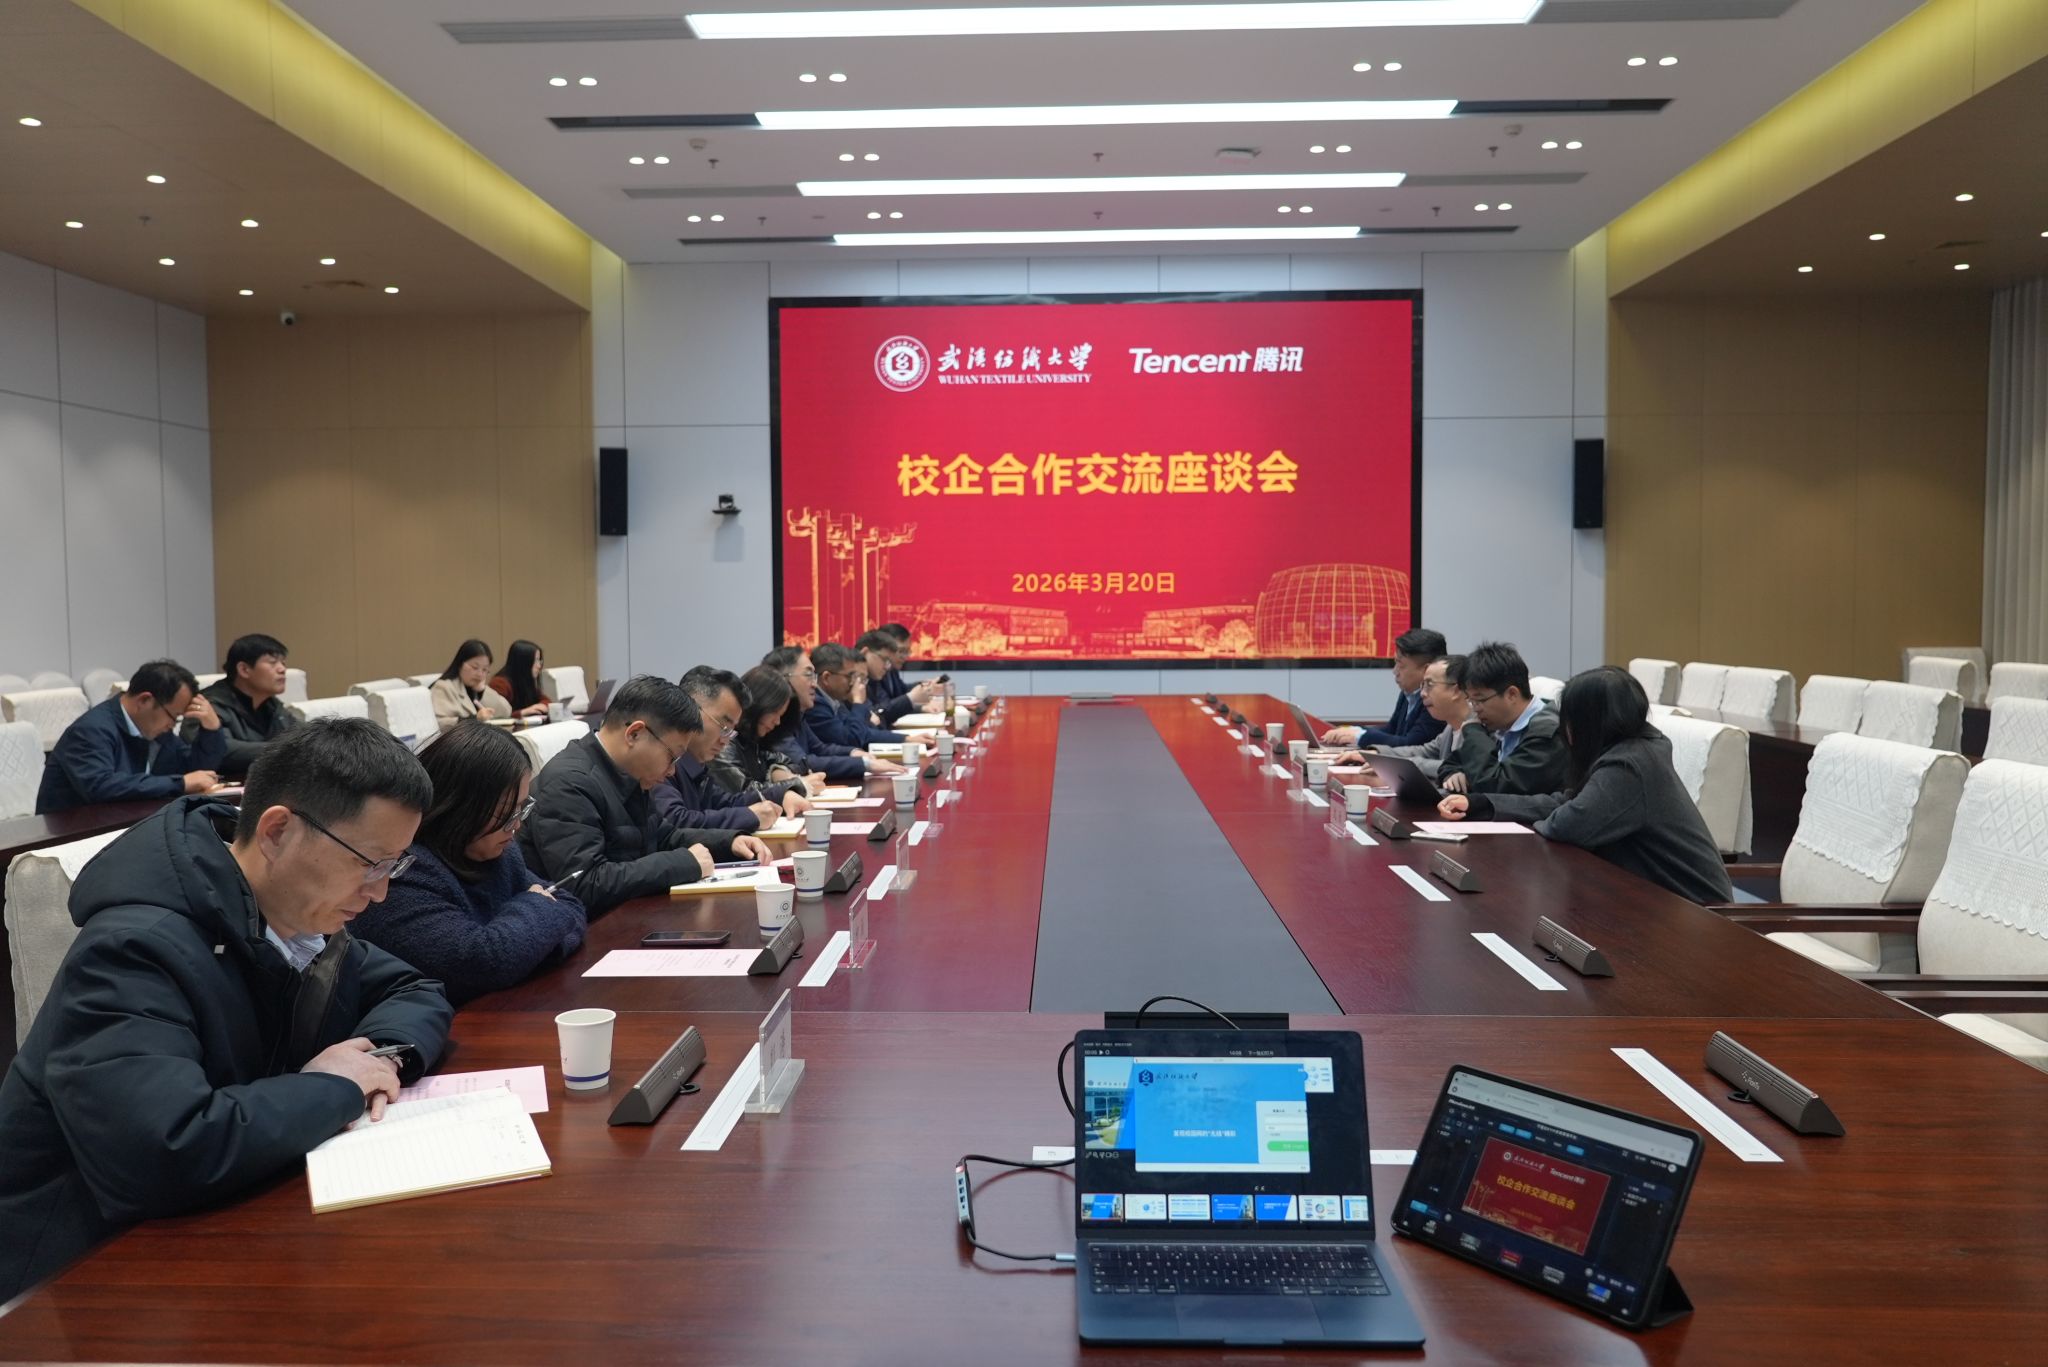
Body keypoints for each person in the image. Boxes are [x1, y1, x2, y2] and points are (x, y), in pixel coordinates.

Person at [0, 718, 454, 1301]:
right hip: (75, 1278)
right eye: (369, 862)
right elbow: (163, 1152)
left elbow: (414, 988)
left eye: (393, 865)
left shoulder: (295, 921)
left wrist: (379, 1060)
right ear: (278, 831)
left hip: (222, 1224)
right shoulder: (133, 950)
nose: (380, 890)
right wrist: (334, 1087)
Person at [1436, 667, 1734, 905]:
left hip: (1691, 912)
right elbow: (1567, 802)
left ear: (1587, 720)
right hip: (1646, 897)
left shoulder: (1629, 765)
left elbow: (1567, 824)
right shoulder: (1627, 749)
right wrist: (1484, 803)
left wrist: (1547, 816)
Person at [351, 721, 588, 1005]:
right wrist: (535, 922)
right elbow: (485, 964)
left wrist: (527, 947)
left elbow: (571, 906)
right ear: (459, 806)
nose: (516, 826)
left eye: (521, 809)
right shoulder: (402, 871)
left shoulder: (498, 852)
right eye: (505, 813)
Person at [517, 675, 772, 918]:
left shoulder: (629, 774)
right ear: (634, 734)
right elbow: (585, 884)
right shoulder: (568, 783)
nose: (672, 771)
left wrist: (729, 843)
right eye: (672, 757)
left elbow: (664, 836)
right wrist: (684, 863)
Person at [36, 659, 227, 814]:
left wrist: (211, 728)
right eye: (173, 716)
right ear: (144, 700)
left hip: (127, 822)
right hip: (73, 833)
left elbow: (195, 770)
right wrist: (180, 783)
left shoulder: (156, 731)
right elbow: (101, 786)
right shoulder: (91, 730)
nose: (172, 725)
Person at [652, 667, 814, 833]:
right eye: (723, 726)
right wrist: (749, 816)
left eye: (731, 731)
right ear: (691, 711)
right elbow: (675, 821)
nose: (726, 740)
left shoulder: (696, 764)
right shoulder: (661, 762)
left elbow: (725, 802)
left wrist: (781, 795)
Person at [1436, 641, 1568, 797]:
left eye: (1480, 700)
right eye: (1471, 701)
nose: (1475, 709)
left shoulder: (1548, 733)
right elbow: (1453, 762)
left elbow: (1496, 786)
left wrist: (1473, 732)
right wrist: (1453, 774)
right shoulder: (1499, 723)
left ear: (1511, 694)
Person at [760, 646, 904, 783]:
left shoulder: (798, 713)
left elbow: (820, 748)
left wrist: (853, 753)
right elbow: (804, 763)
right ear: (782, 679)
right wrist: (864, 764)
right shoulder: (774, 721)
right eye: (808, 675)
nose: (814, 684)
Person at [184, 633, 301, 778]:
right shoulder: (207, 704)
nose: (282, 669)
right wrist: (284, 749)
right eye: (272, 663)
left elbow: (303, 737)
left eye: (283, 663)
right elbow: (219, 750)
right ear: (244, 669)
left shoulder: (272, 705)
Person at [1336, 655, 1467, 779]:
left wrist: (1397, 764)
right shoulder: (1450, 728)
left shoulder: (1476, 728)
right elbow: (1424, 751)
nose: (1422, 693)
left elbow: (1460, 768)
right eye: (1423, 685)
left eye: (1429, 685)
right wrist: (1377, 755)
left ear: (1456, 690)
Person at [1320, 628, 1448, 749]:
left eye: (1401, 665)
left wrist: (1360, 737)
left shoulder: (1435, 701)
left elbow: (1410, 744)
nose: (1395, 671)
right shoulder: (1408, 693)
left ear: (1426, 670)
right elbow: (1391, 729)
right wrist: (1355, 730)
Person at [713, 665, 826, 797]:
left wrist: (777, 772)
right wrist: (799, 785)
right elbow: (744, 792)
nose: (777, 722)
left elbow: (794, 763)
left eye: (781, 715)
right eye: (775, 713)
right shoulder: (724, 740)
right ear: (757, 705)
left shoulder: (754, 740)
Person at [808, 642, 907, 750]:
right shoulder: (816, 705)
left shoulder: (835, 700)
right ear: (826, 678)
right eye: (849, 676)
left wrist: (906, 739)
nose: (853, 682)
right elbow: (853, 740)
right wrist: (858, 702)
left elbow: (866, 732)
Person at [856, 628, 938, 726]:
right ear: (865, 652)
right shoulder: (852, 682)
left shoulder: (873, 678)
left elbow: (881, 711)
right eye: (884, 659)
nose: (887, 667)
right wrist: (911, 698)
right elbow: (878, 715)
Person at [429, 639, 506, 733]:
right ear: (460, 663)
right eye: (475, 667)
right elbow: (441, 724)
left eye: (485, 670)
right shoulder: (444, 687)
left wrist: (483, 691)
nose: (480, 674)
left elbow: (506, 712)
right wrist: (475, 718)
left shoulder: (478, 688)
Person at [488, 639, 553, 720]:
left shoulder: (526, 680)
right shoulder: (500, 683)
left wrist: (541, 706)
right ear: (524, 662)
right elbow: (495, 715)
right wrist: (522, 712)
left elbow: (546, 700)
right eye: (536, 660)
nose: (539, 666)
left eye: (540, 660)